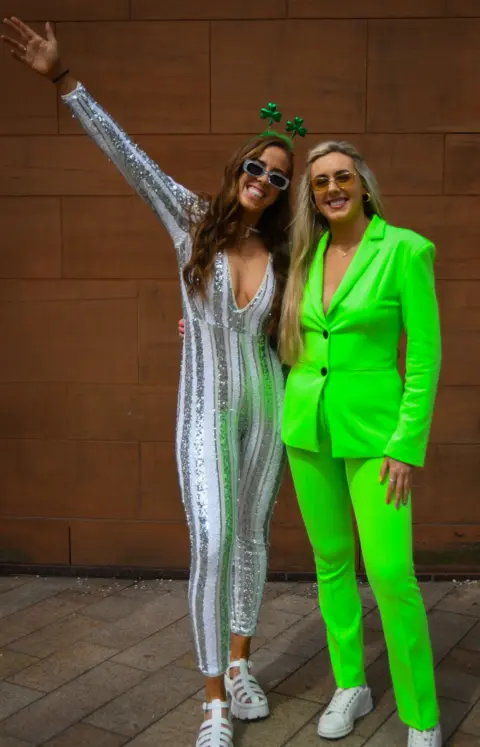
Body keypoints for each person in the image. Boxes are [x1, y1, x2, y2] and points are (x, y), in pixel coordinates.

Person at [0, 17, 302, 747]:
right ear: (236, 171)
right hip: (203, 410)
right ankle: (213, 705)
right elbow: (129, 158)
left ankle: (241, 664)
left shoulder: (288, 252)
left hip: (269, 413)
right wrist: (63, 79)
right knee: (211, 539)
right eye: (255, 168)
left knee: (253, 539)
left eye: (277, 176)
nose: (263, 180)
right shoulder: (192, 219)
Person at [279, 141, 442, 747]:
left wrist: (407, 443)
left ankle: (421, 714)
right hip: (307, 428)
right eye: (319, 182)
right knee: (331, 563)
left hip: (379, 437)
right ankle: (351, 682)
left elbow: (423, 358)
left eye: (341, 177)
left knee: (393, 573)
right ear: (312, 196)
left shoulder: (405, 249)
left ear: (363, 184)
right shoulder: (305, 254)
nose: (331, 188)